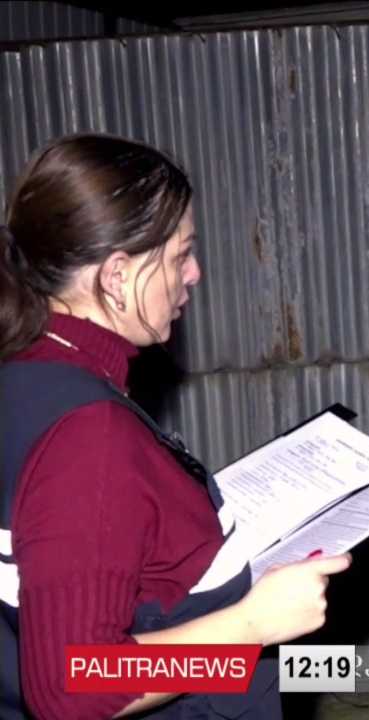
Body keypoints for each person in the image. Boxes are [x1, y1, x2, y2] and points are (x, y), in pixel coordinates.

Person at [0, 134, 350, 719]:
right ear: (117, 276)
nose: (194, 273)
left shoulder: (26, 373)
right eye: (180, 253)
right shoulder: (88, 434)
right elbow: (73, 686)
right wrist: (254, 623)